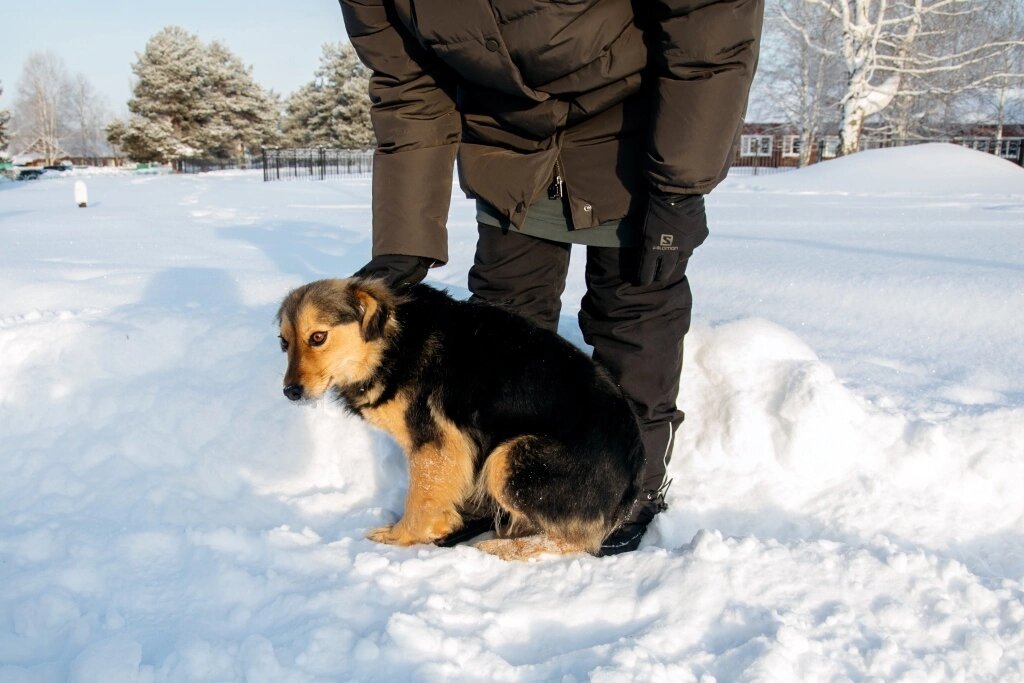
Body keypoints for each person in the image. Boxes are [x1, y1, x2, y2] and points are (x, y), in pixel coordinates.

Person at [339, 0, 764, 554]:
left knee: (634, 316)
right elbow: (408, 86)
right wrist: (402, 242)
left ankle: (618, 494)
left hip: (639, 126)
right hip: (507, 140)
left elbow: (710, 31)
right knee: (499, 322)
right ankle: (488, 486)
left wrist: (679, 186)